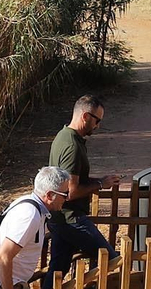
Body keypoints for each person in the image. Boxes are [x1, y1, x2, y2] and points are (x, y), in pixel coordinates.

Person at [47, 96, 121, 277]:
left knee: (57, 270)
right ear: (86, 116)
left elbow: (73, 179)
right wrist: (100, 184)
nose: (98, 126)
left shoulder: (63, 136)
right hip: (71, 218)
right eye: (97, 120)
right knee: (109, 259)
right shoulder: (72, 145)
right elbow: (71, 191)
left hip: (59, 217)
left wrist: (99, 180)